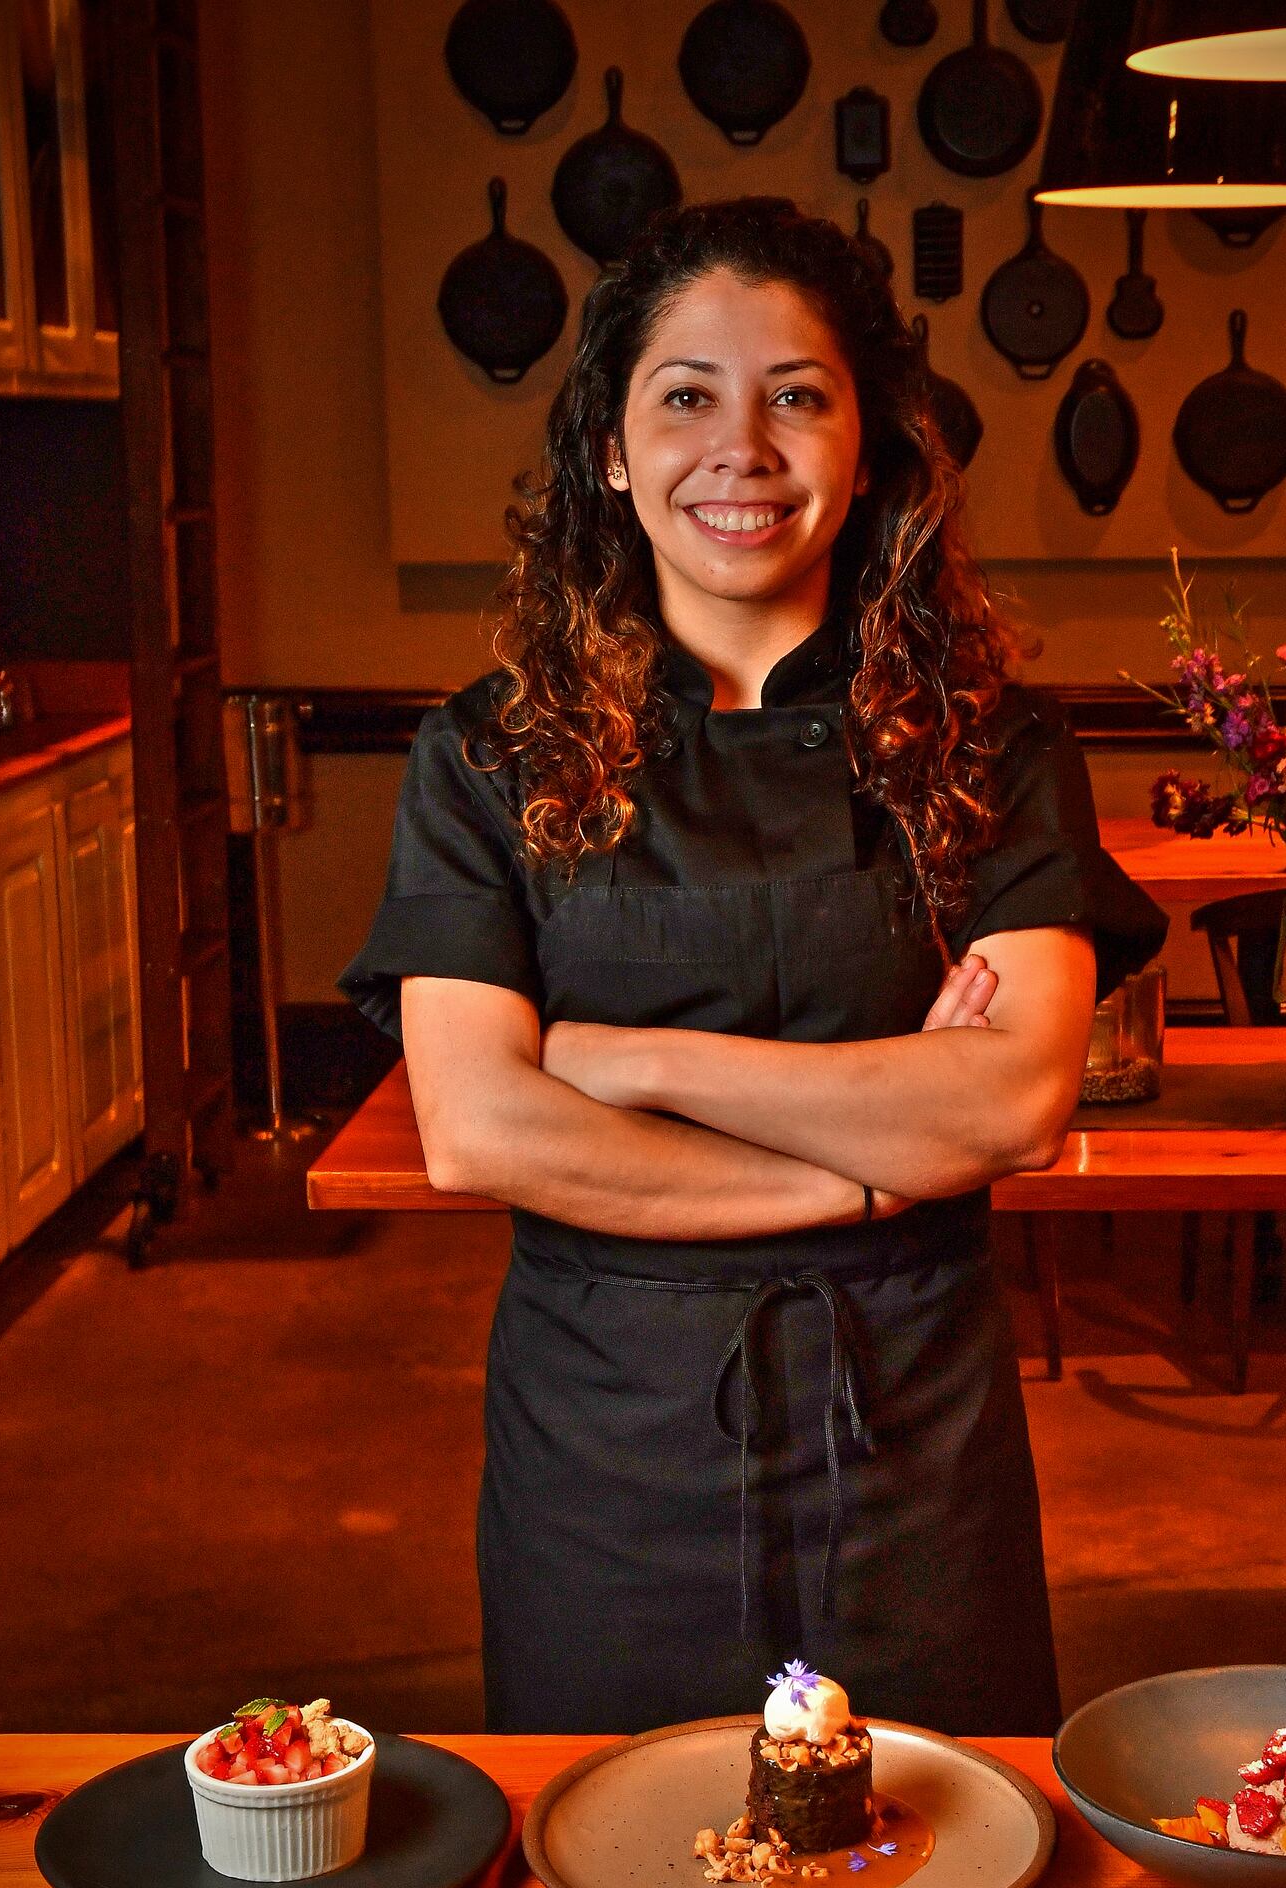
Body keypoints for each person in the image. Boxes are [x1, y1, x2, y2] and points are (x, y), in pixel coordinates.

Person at [341, 197, 1166, 1737]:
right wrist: (865, 1166)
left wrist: (628, 1059)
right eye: (686, 397)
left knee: (934, 1873)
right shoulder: (486, 754)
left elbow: (1011, 1103)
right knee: (612, 1875)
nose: (746, 447)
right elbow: (479, 1130)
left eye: (796, 395)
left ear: (868, 448)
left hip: (913, 1433)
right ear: (610, 450)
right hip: (607, 1443)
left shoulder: (994, 745)